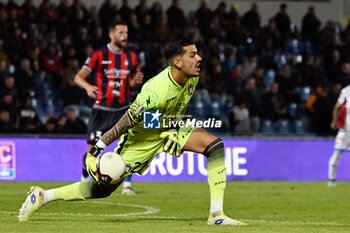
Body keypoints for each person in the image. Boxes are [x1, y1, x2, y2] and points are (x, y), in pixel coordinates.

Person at [18, 39, 246, 226]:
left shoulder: (191, 79)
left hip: (168, 128)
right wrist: (98, 147)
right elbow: (126, 121)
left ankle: (217, 215)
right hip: (139, 141)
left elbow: (181, 109)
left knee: (215, 146)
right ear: (177, 62)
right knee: (101, 191)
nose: (199, 58)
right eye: (193, 55)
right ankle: (43, 196)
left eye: (197, 53)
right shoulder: (155, 90)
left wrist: (177, 128)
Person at [74, 21, 143, 195]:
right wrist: (88, 87)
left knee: (129, 146)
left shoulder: (132, 57)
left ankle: (127, 185)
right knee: (92, 149)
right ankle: (84, 180)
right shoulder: (98, 54)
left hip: (123, 109)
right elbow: (79, 77)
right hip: (102, 109)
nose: (124, 36)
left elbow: (134, 82)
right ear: (111, 35)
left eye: (126, 32)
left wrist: (135, 83)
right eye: (120, 32)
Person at [328, 84, 350, 187]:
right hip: (345, 129)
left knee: (337, 154)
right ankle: (331, 180)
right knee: (337, 153)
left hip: (345, 129)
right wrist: (334, 120)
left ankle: (331, 180)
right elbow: (337, 107)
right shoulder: (346, 90)